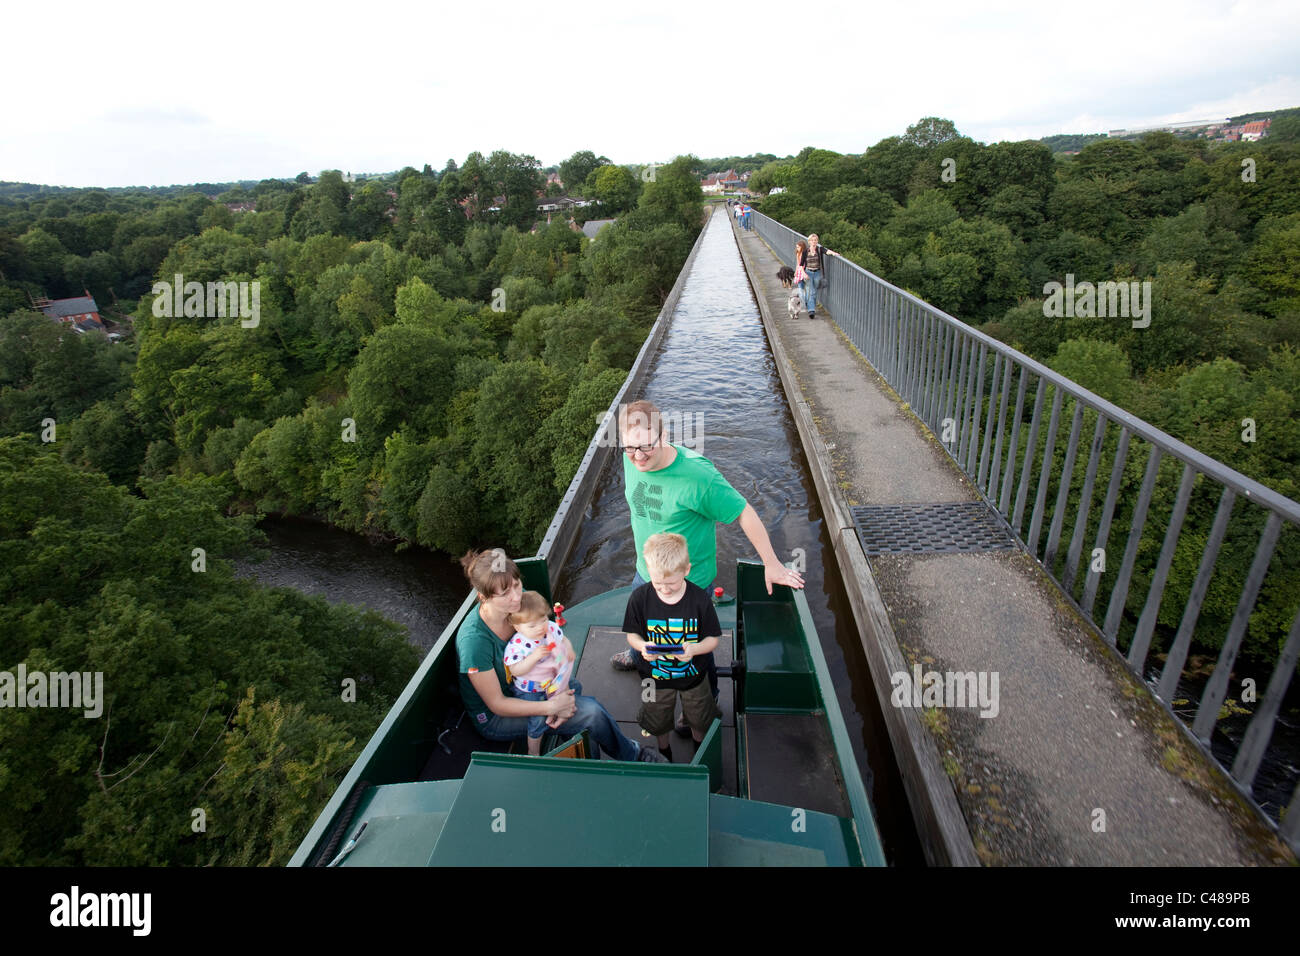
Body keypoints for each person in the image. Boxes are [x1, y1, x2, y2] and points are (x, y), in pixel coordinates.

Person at [610, 399, 805, 721]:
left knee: (695, 651)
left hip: (690, 583)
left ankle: (705, 705)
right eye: (630, 448)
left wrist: (772, 563)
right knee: (643, 625)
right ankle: (636, 656)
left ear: (664, 435)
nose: (638, 456)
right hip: (646, 573)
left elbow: (743, 511)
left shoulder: (698, 475)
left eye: (647, 446)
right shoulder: (631, 458)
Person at [457, 548, 667, 762]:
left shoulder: (517, 604)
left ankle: (585, 756)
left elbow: (547, 630)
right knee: (591, 713)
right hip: (498, 717)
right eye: (505, 594)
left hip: (531, 684)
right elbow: (497, 704)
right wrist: (551, 706)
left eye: (517, 585)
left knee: (573, 688)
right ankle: (634, 755)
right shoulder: (474, 643)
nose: (516, 596)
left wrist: (564, 645)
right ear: (483, 597)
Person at [624, 533, 722, 761]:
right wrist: (642, 646)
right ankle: (664, 752)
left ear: (686, 570)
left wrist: (695, 650)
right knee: (656, 720)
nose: (665, 589)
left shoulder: (699, 600)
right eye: (658, 584)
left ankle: (699, 752)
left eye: (672, 583)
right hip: (653, 679)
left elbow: (713, 640)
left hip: (695, 677)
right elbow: (632, 635)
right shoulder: (640, 598)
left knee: (699, 718)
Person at [502, 590, 575, 756]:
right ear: (517, 626)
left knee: (575, 686)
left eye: (543, 620)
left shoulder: (549, 629)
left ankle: (562, 721)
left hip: (551, 680)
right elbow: (515, 670)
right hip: (531, 690)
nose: (540, 628)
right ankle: (533, 750)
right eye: (532, 625)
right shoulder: (517, 646)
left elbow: (562, 640)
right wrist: (533, 658)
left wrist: (568, 649)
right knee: (537, 721)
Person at [796, 233, 839, 317]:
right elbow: (801, 264)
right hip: (808, 273)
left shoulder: (820, 249)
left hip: (817, 273)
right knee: (811, 291)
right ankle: (811, 310)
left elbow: (827, 251)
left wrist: (834, 253)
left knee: (814, 291)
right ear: (809, 242)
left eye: (815, 240)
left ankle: (810, 305)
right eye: (812, 240)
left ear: (817, 241)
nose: (814, 242)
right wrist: (804, 273)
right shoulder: (805, 251)